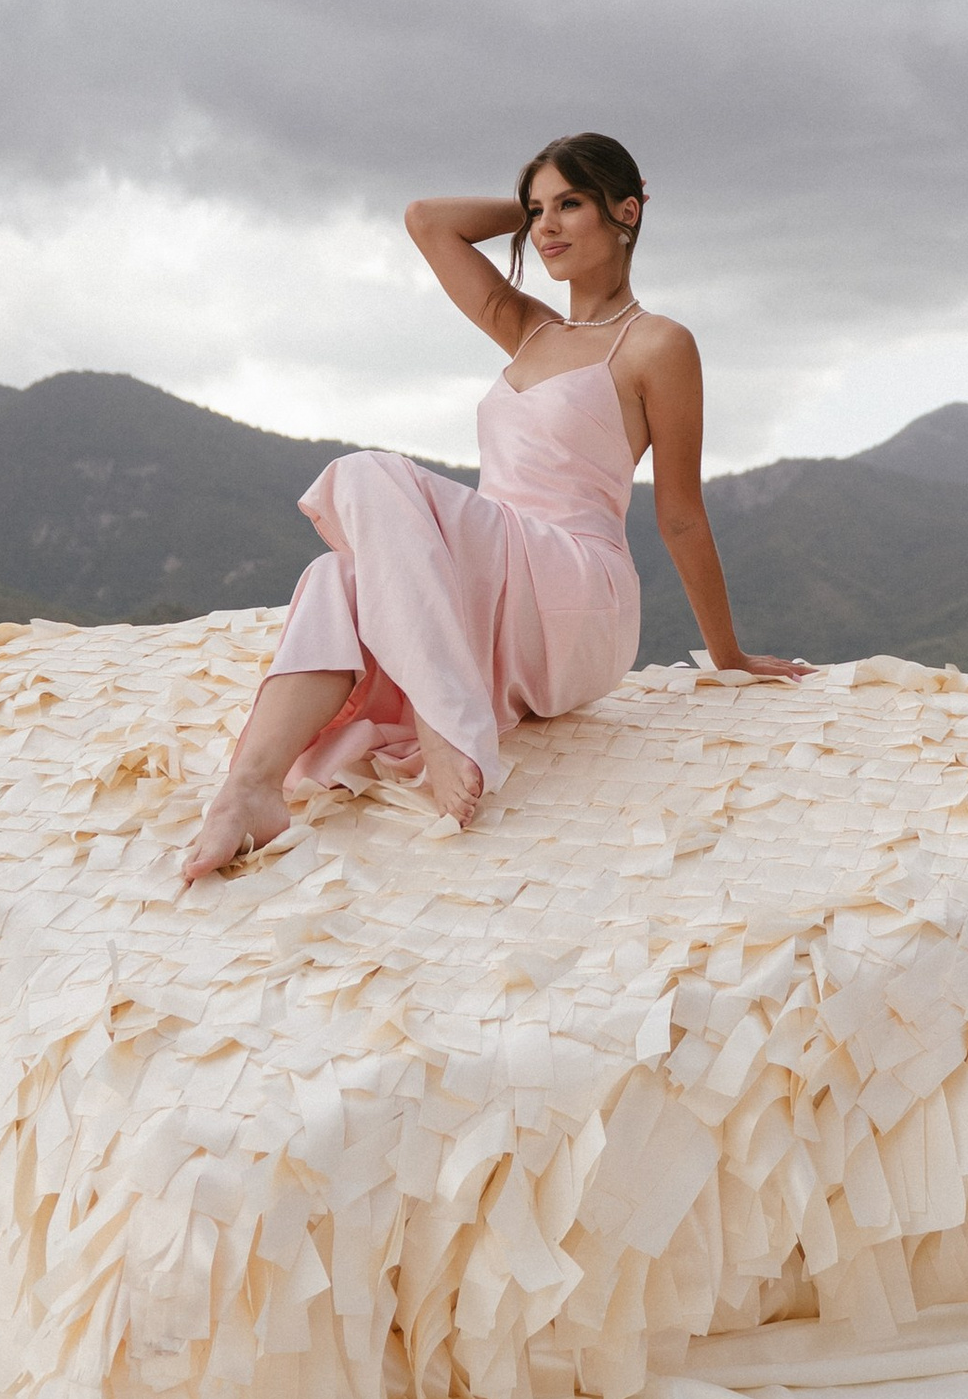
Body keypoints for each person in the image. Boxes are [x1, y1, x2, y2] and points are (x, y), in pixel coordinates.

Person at [182, 133, 806, 881]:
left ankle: (448, 721)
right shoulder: (527, 325)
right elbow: (425, 219)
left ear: (626, 210)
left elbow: (678, 511)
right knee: (332, 580)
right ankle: (249, 791)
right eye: (537, 208)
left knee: (367, 472)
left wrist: (730, 655)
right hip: (492, 580)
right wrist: (530, 207)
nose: (545, 225)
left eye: (570, 203)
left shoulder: (657, 344)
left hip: (579, 588)